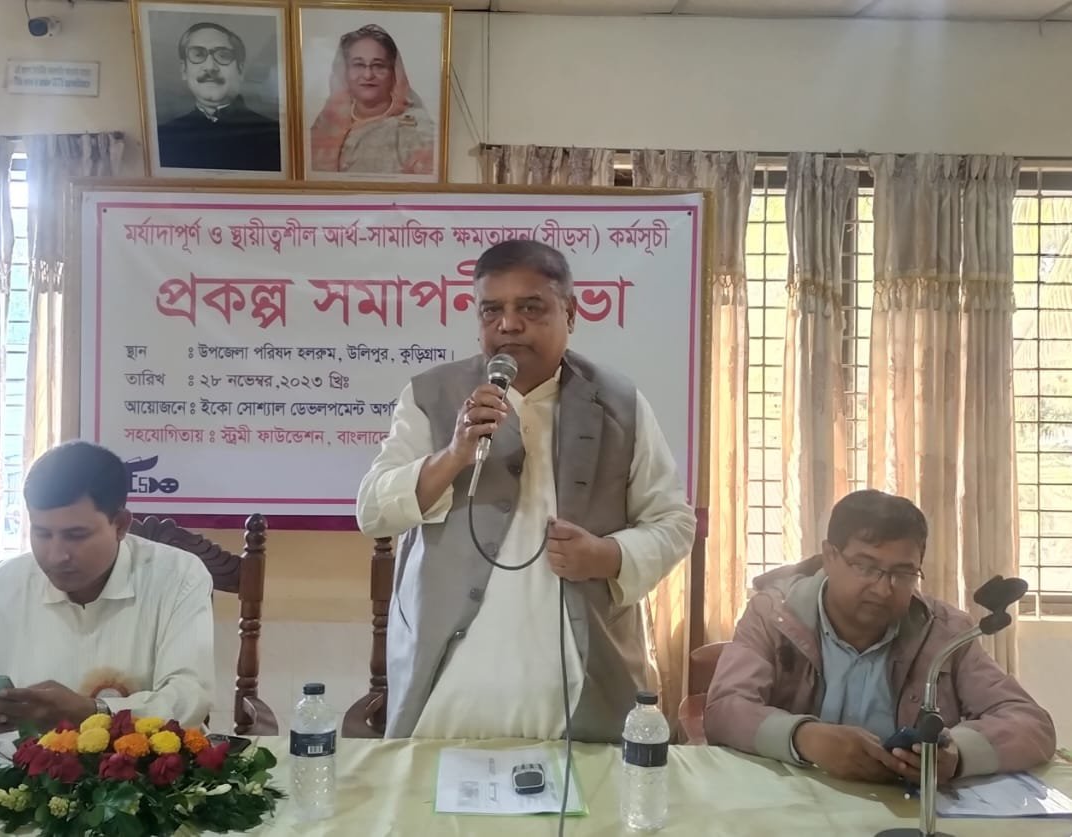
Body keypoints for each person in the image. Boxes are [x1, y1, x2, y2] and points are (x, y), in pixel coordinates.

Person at [356, 239, 696, 743]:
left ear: (570, 313)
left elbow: (674, 523)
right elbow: (372, 511)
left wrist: (608, 555)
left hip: (582, 697)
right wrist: (454, 454)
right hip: (447, 702)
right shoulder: (431, 396)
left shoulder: (621, 404)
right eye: (491, 310)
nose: (508, 325)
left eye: (530, 308)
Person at [703, 489, 1055, 783]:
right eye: (866, 567)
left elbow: (1030, 723)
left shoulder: (945, 632)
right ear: (829, 556)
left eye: (903, 572)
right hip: (796, 805)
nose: (884, 589)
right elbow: (725, 709)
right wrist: (803, 737)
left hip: (904, 809)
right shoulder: (773, 615)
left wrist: (958, 754)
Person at [0, 441, 216, 737]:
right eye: (42, 533)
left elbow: (188, 698)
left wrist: (93, 713)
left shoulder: (177, 577)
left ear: (120, 525)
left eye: (76, 535)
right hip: (15, 763)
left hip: (142, 761)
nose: (56, 555)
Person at [309, 24, 436, 176]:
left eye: (378, 66)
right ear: (345, 71)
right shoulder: (327, 122)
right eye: (358, 65)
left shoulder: (416, 129)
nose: (368, 75)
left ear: (394, 73)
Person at [156, 21, 282, 172]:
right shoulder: (163, 137)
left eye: (223, 55)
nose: (210, 67)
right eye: (198, 54)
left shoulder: (275, 136)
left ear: (240, 70)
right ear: (184, 70)